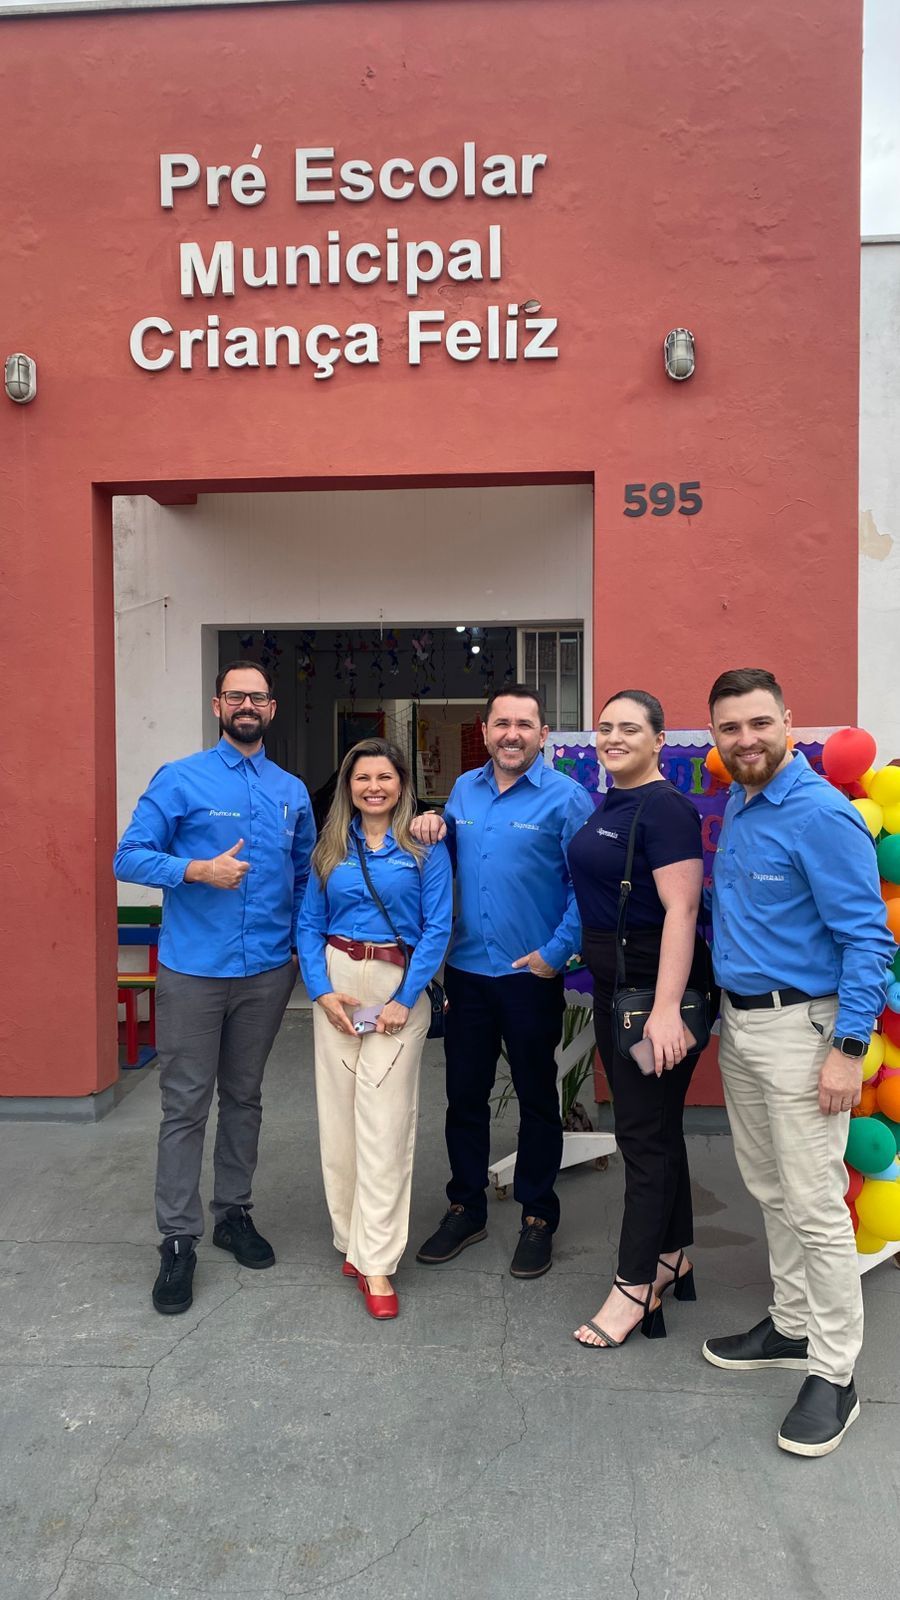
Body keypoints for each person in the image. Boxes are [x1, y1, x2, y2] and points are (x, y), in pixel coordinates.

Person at [702, 668, 894, 1457]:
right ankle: (790, 1324)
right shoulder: (744, 806)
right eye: (729, 728)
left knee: (815, 1203)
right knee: (771, 1187)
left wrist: (848, 1049)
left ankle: (836, 1371)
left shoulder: (819, 814)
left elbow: (868, 939)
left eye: (758, 723)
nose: (744, 739)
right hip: (742, 1031)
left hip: (803, 1032)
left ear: (789, 719)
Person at [114, 661, 315, 1316]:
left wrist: (297, 949)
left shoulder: (290, 791)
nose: (247, 705)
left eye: (258, 696)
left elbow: (304, 873)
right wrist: (196, 868)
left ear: (272, 708)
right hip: (194, 972)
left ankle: (233, 1213)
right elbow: (129, 855)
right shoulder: (180, 778)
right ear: (217, 704)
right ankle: (178, 1239)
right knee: (185, 1105)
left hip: (264, 973)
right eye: (236, 696)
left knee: (246, 1098)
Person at [412, 686, 595, 1279]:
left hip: (527, 976)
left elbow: (584, 888)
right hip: (466, 973)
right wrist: (430, 822)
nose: (511, 733)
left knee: (538, 1101)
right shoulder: (464, 790)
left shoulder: (567, 799)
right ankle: (465, 1208)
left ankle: (538, 1215)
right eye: (501, 723)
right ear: (485, 731)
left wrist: (556, 953)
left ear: (544, 735)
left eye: (524, 724)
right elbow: (446, 854)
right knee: (463, 1098)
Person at [566, 690, 712, 1348]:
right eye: (606, 727)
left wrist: (662, 1013)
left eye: (630, 728)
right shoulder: (614, 802)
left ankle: (632, 1287)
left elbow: (681, 912)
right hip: (616, 991)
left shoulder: (667, 809)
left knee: (644, 1142)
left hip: (655, 1001)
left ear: (659, 740)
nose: (613, 737)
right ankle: (673, 1255)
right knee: (655, 1131)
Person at [297, 738, 452, 1320]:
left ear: (401, 783)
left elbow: (437, 927)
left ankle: (378, 1261)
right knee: (337, 1118)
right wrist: (320, 989)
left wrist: (405, 999)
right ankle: (351, 1240)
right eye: (362, 778)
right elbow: (308, 923)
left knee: (384, 1122)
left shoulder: (425, 847)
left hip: (396, 982)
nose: (373, 787)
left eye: (384, 777)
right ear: (348, 786)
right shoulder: (329, 848)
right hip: (337, 981)